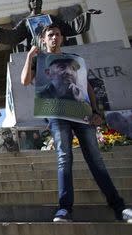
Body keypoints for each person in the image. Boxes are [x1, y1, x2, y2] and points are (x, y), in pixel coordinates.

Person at [20, 24, 132, 222]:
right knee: (64, 157)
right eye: (50, 35)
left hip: (82, 114)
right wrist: (29, 56)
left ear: (62, 38)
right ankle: (64, 209)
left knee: (95, 159)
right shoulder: (40, 60)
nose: (54, 38)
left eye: (57, 35)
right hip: (57, 114)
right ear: (44, 40)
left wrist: (96, 111)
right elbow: (25, 80)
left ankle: (119, 207)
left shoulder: (73, 60)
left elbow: (87, 87)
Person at [0, 0, 101, 49]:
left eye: (38, 0)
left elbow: (68, 27)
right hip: (37, 49)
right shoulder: (26, 21)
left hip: (52, 48)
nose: (36, 2)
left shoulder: (49, 18)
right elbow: (14, 34)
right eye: (33, 0)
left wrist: (86, 15)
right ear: (30, 4)